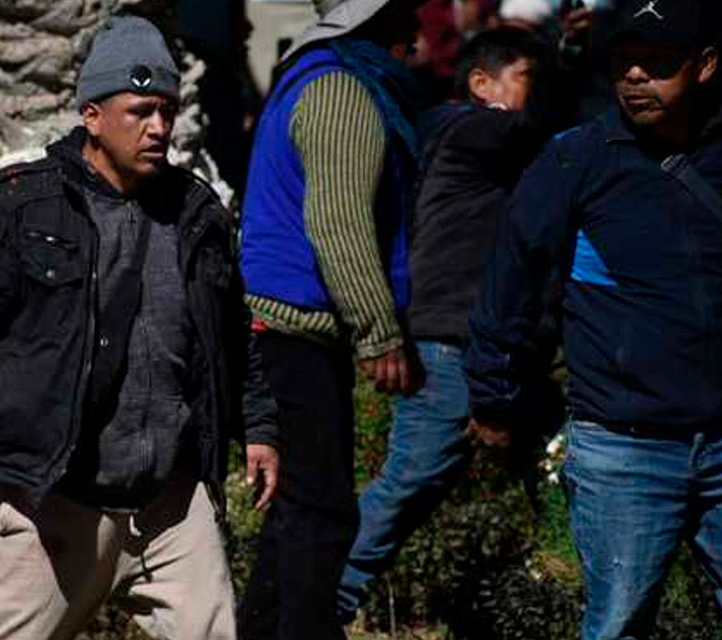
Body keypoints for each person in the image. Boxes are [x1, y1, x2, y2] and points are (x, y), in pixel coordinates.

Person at [0, 16, 281, 640]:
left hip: (171, 502)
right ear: (92, 115)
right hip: (59, 498)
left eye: (167, 110)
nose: (158, 127)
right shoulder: (20, 206)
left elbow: (232, 334)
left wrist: (258, 428)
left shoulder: (197, 211)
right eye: (139, 111)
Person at [465, 1, 722, 638]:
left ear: (704, 66)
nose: (636, 77)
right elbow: (511, 277)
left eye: (656, 62)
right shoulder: (577, 160)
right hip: (624, 447)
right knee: (617, 624)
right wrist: (495, 390)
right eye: (624, 62)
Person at [333, 27, 562, 623]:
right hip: (450, 341)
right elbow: (533, 130)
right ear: (481, 83)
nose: (533, 96)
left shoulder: (460, 137)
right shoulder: (476, 127)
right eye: (526, 79)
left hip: (468, 339)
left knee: (430, 479)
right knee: (411, 479)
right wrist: (575, 66)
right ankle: (324, 600)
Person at [236, 0, 423, 637]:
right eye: (405, 19)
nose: (418, 37)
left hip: (294, 330)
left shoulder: (315, 75)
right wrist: (379, 332)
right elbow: (338, 225)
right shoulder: (341, 89)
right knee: (321, 513)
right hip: (297, 333)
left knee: (301, 510)